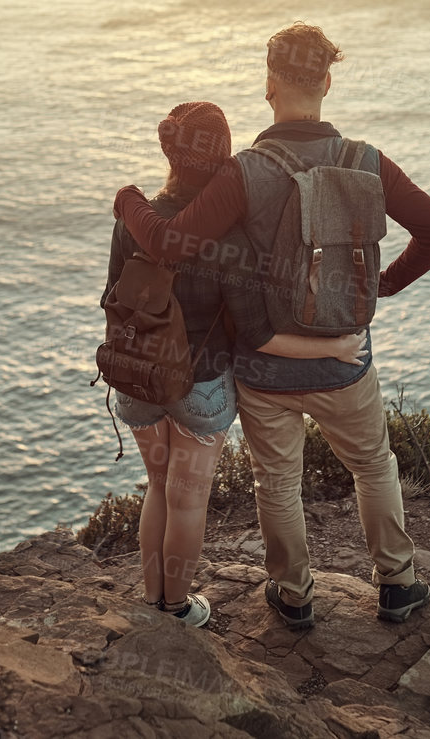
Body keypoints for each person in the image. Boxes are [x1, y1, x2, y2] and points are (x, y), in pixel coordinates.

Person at [113, 24, 430, 627]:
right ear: (327, 81)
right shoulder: (368, 162)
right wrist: (384, 284)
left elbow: (171, 243)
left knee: (276, 481)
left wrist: (128, 201)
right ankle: (398, 585)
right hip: (344, 358)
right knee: (374, 465)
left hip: (264, 365)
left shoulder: (244, 172)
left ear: (269, 86)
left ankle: (294, 595)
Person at [105, 100, 367, 628]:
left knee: (157, 488)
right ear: (224, 155)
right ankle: (176, 609)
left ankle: (152, 602)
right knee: (187, 500)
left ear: (169, 152)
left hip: (137, 376)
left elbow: (113, 297)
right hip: (200, 385)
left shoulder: (135, 220)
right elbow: (260, 335)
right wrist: (333, 349)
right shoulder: (229, 235)